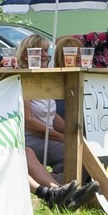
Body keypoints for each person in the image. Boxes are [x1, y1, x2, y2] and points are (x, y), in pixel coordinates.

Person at [18, 35, 67, 178]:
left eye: (46, 50)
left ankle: (57, 180)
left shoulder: (43, 78)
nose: (45, 55)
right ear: (25, 56)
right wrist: (62, 137)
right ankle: (56, 187)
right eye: (40, 51)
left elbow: (51, 114)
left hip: (45, 136)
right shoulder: (23, 79)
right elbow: (29, 122)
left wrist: (73, 132)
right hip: (28, 138)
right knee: (71, 151)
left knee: (83, 147)